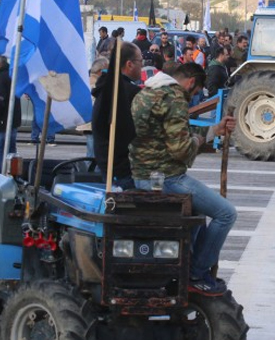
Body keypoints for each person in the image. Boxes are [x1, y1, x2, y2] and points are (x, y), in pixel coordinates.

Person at [130, 63, 236, 296]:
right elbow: (180, 149)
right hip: (166, 178)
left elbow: (172, 136)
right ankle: (196, 274)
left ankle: (189, 268)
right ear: (191, 83)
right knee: (226, 213)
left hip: (142, 176)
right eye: (195, 92)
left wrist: (213, 131)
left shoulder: (146, 93)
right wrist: (198, 143)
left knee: (198, 217)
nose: (194, 97)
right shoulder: (175, 97)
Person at [92, 41, 143, 190]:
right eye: (140, 61)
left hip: (108, 165)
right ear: (129, 64)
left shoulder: (108, 87)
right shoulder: (125, 92)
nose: (142, 65)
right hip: (121, 170)